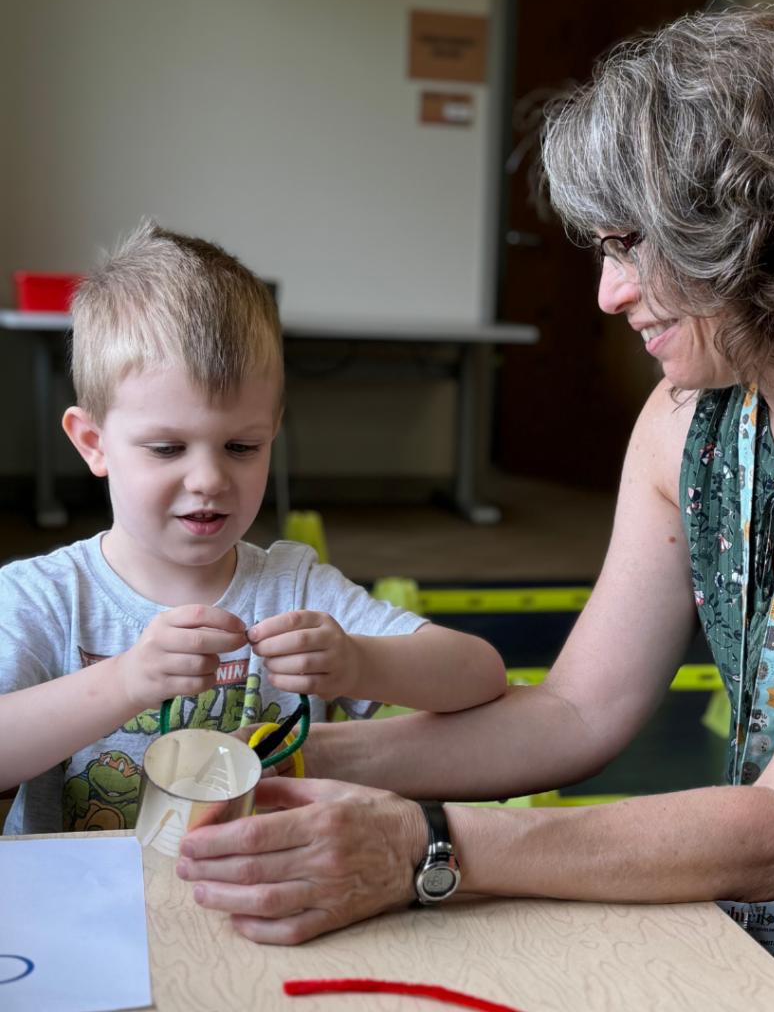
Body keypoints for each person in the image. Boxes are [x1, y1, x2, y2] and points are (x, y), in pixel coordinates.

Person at [174, 10, 774, 1010]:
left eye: (632, 245)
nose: (607, 293)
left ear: (766, 230)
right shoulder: (687, 420)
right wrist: (269, 756)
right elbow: (575, 712)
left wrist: (427, 840)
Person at [0, 221, 506, 837]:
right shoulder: (47, 597)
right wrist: (124, 681)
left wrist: (357, 663)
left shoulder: (294, 587)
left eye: (242, 446)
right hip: (86, 914)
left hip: (265, 899)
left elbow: (480, 675)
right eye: (167, 449)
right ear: (92, 443)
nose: (209, 478)